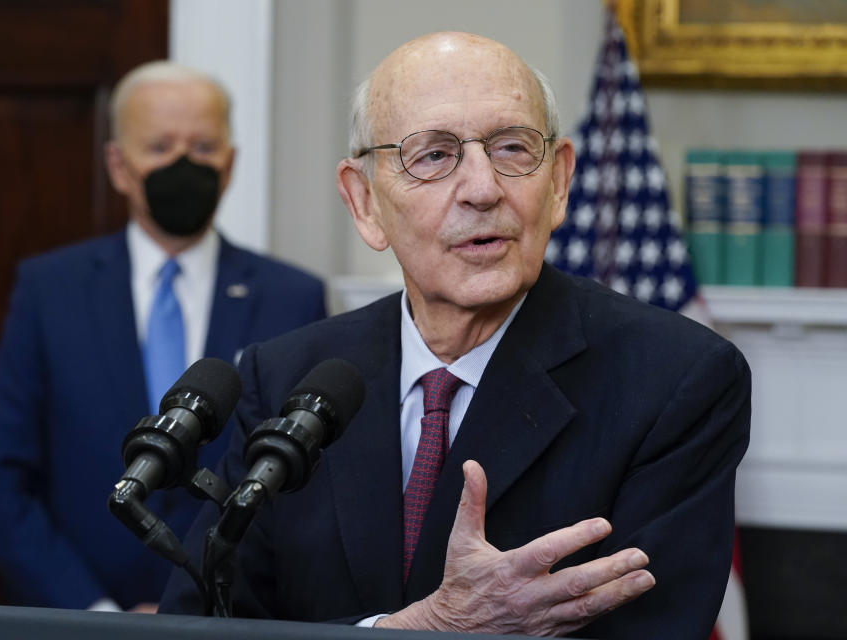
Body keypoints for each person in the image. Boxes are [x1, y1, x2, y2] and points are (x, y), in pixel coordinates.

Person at [159, 32, 750, 639]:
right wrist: (427, 628)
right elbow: (205, 624)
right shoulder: (283, 377)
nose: (483, 188)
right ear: (364, 202)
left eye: (514, 148)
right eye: (434, 156)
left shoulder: (677, 378)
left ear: (559, 182)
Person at [0, 61, 327, 613]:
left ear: (230, 166)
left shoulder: (292, 297)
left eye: (204, 147)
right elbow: (3, 486)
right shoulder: (49, 290)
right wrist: (97, 614)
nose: (183, 164)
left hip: (228, 618)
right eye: (160, 146)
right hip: (79, 621)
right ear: (118, 165)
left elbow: (301, 492)